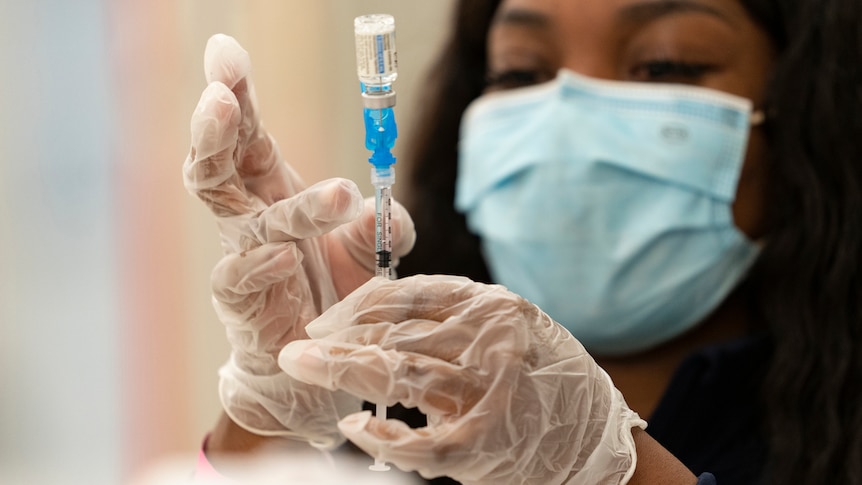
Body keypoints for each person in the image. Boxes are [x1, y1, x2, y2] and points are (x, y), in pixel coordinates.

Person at [183, 0, 862, 483]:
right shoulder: (408, 437)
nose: (567, 119)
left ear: (808, 115)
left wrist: (608, 467)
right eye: (519, 72)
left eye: (664, 64)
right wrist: (275, 415)